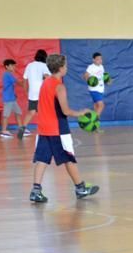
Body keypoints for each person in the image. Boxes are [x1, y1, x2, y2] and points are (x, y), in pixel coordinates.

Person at [28, 54, 100, 203]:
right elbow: (66, 111)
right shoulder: (59, 86)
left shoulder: (45, 82)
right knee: (69, 158)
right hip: (57, 128)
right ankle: (80, 188)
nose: (66, 68)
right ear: (61, 68)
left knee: (42, 159)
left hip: (43, 127)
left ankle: (36, 191)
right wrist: (82, 112)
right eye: (66, 66)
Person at [17, 49, 49, 139]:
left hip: (32, 93)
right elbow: (47, 77)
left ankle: (22, 128)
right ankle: (45, 131)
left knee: (31, 112)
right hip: (42, 92)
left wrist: (26, 91)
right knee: (44, 112)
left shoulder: (29, 65)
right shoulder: (44, 66)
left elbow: (24, 80)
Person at [0, 59, 23, 139]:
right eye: (12, 65)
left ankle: (21, 129)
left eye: (14, 66)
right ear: (6, 66)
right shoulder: (7, 75)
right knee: (6, 115)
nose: (14, 67)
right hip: (8, 99)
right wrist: (27, 83)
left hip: (12, 98)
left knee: (18, 113)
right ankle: (4, 131)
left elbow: (12, 85)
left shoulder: (9, 74)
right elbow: (18, 82)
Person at [83, 52, 107, 117]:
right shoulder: (91, 67)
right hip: (94, 89)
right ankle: (94, 120)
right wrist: (90, 80)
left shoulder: (102, 67)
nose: (100, 60)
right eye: (98, 59)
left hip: (100, 89)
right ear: (93, 60)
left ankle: (96, 121)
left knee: (97, 106)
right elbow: (85, 76)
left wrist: (107, 80)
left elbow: (102, 76)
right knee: (101, 105)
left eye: (101, 59)